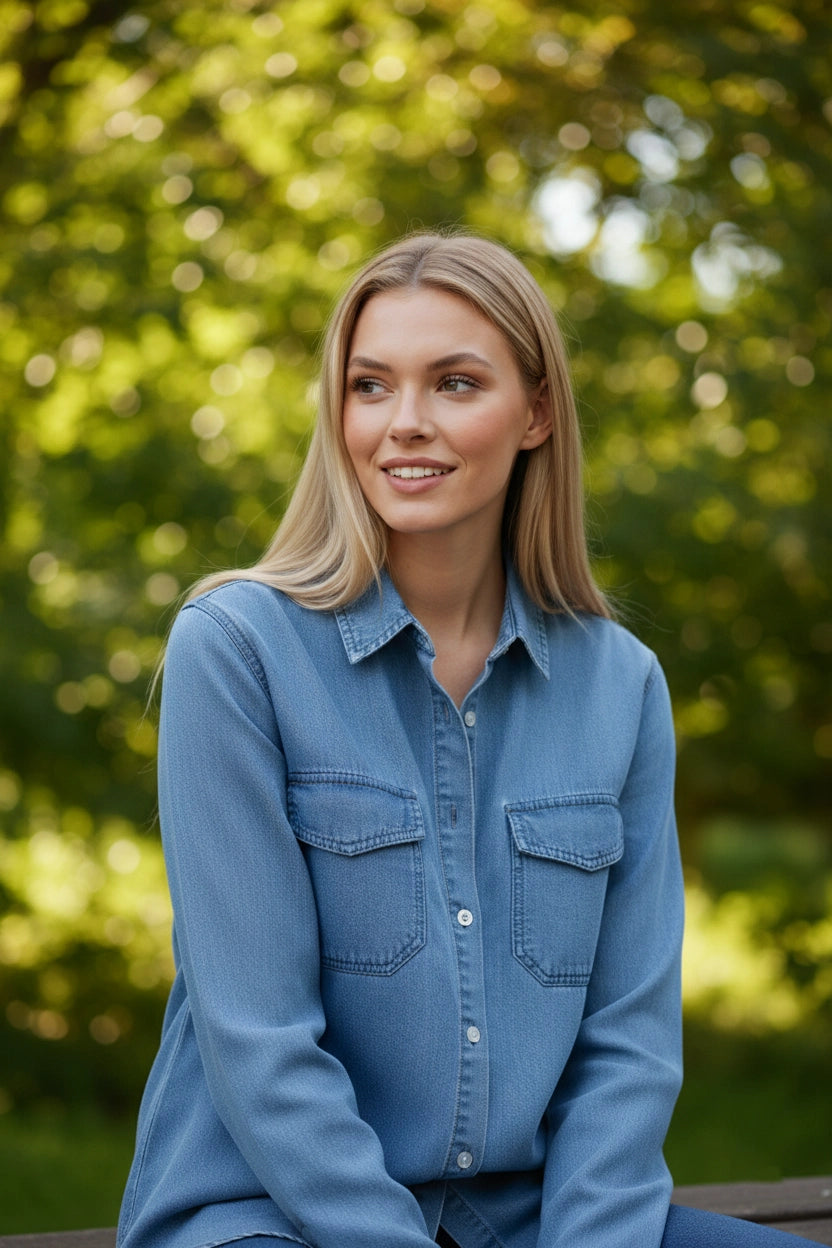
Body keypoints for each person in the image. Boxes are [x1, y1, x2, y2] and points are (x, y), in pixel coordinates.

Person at [117, 233, 821, 1248]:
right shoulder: (237, 652)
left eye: (453, 383)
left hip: (528, 1222)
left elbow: (626, 1047)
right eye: (370, 386)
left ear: (535, 413)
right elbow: (258, 1042)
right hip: (268, 1216)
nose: (405, 424)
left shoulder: (618, 685)